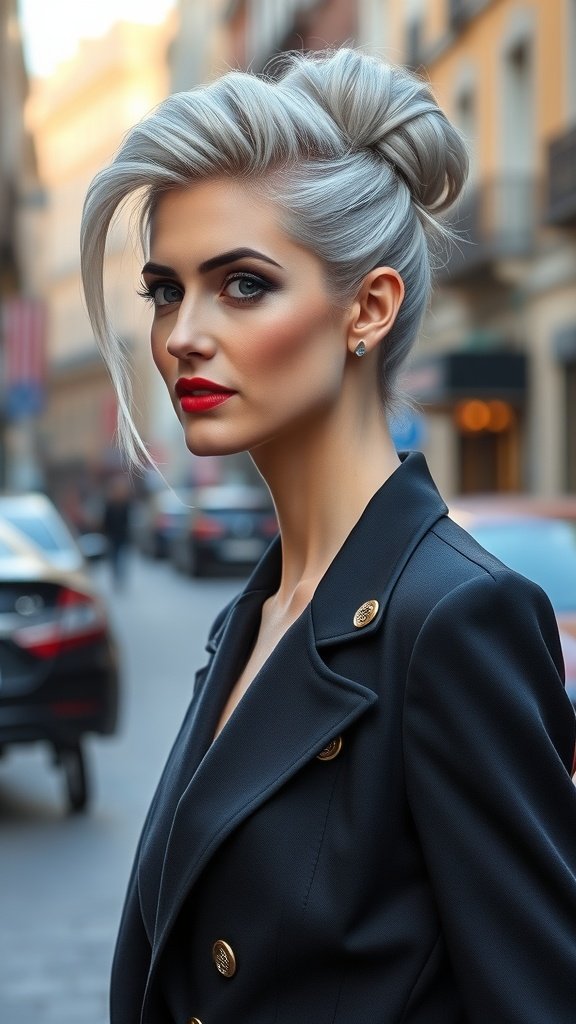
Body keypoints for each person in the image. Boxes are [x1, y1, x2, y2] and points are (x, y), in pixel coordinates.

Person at [80, 48, 576, 1024]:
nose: (182, 334)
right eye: (166, 289)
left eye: (242, 284)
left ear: (369, 308)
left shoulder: (454, 620)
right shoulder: (253, 616)